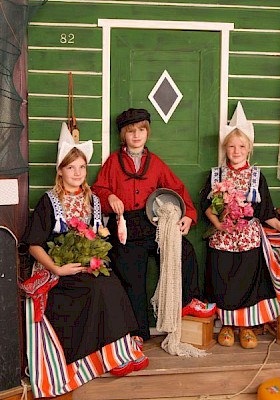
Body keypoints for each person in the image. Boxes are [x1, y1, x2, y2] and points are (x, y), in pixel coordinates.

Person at [21, 123, 149, 399]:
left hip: (85, 264)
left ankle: (117, 353)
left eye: (81, 167)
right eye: (71, 168)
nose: (77, 173)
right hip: (56, 268)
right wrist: (57, 268)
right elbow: (33, 244)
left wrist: (95, 257)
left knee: (112, 283)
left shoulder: (92, 199)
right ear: (60, 171)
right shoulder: (50, 201)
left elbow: (97, 237)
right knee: (93, 289)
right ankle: (94, 357)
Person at [91, 108, 204, 342]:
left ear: (147, 132)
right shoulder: (113, 162)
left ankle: (188, 305)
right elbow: (98, 190)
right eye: (131, 131)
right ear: (123, 135)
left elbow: (178, 189)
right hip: (125, 226)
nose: (136, 135)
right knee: (132, 277)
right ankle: (138, 333)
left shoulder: (155, 163)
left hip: (152, 224)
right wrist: (110, 197)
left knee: (185, 252)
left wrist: (189, 215)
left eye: (141, 130)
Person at [200, 102, 280, 349]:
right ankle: (226, 325)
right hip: (222, 238)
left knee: (246, 283)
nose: (236, 150)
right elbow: (206, 206)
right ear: (225, 148)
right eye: (232, 146)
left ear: (249, 149)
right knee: (222, 281)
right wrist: (218, 224)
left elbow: (265, 211)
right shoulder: (216, 175)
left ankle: (246, 327)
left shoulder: (257, 176)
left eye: (241, 146)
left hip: (248, 238)